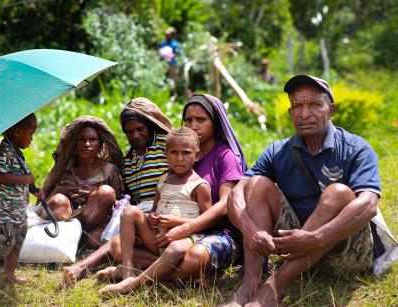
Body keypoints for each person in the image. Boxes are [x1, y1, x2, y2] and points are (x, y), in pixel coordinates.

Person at [226, 75, 384, 306]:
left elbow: (369, 204)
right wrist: (249, 230)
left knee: (338, 192)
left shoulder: (356, 148)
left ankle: (274, 288)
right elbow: (236, 193)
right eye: (297, 106)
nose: (304, 113)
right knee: (257, 182)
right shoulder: (278, 151)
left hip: (345, 252)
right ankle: (249, 287)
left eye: (314, 105)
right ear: (291, 113)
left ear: (330, 110)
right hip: (297, 248)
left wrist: (316, 238)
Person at [97, 93, 247, 291]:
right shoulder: (180, 155)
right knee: (117, 245)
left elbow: (225, 205)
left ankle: (134, 281)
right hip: (170, 235)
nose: (193, 125)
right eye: (189, 120)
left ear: (215, 122)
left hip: (214, 233)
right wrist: (155, 218)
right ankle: (181, 275)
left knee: (195, 257)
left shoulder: (225, 156)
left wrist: (186, 228)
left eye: (201, 120)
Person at [62, 97, 173, 285]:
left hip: (164, 211)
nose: (135, 135)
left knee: (117, 242)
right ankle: (160, 269)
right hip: (139, 215)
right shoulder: (129, 158)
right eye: (129, 132)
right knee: (116, 246)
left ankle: (82, 268)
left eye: (140, 129)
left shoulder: (166, 145)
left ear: (150, 125)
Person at [99, 127, 213, 294]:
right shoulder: (164, 181)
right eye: (173, 152)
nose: (179, 158)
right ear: (166, 155)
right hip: (158, 238)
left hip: (186, 238)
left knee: (176, 250)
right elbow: (154, 210)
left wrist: (177, 223)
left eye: (186, 153)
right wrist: (152, 217)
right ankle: (128, 270)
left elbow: (206, 221)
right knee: (129, 212)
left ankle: (135, 282)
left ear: (197, 154)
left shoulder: (199, 185)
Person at [0, 114, 38, 293]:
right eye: (31, 134)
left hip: (16, 212)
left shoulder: (16, 152)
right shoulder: (4, 150)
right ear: (18, 131)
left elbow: (21, 179)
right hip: (1, 213)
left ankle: (9, 274)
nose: (32, 139)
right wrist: (24, 179)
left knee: (16, 243)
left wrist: (33, 188)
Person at [40, 115, 124, 247]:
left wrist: (95, 195)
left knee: (106, 193)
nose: (87, 144)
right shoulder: (64, 169)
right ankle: (71, 236)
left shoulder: (109, 170)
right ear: (75, 143)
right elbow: (43, 204)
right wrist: (59, 191)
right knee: (58, 201)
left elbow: (119, 204)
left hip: (94, 222)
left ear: (100, 143)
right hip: (66, 219)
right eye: (82, 140)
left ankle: (77, 239)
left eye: (92, 140)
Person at [158, 26, 183, 95]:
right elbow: (159, 52)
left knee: (173, 80)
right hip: (163, 64)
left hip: (173, 65)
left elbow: (180, 54)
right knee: (164, 79)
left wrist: (173, 55)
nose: (166, 36)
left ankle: (174, 94)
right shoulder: (163, 43)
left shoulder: (175, 44)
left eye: (168, 35)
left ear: (172, 35)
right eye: (166, 34)